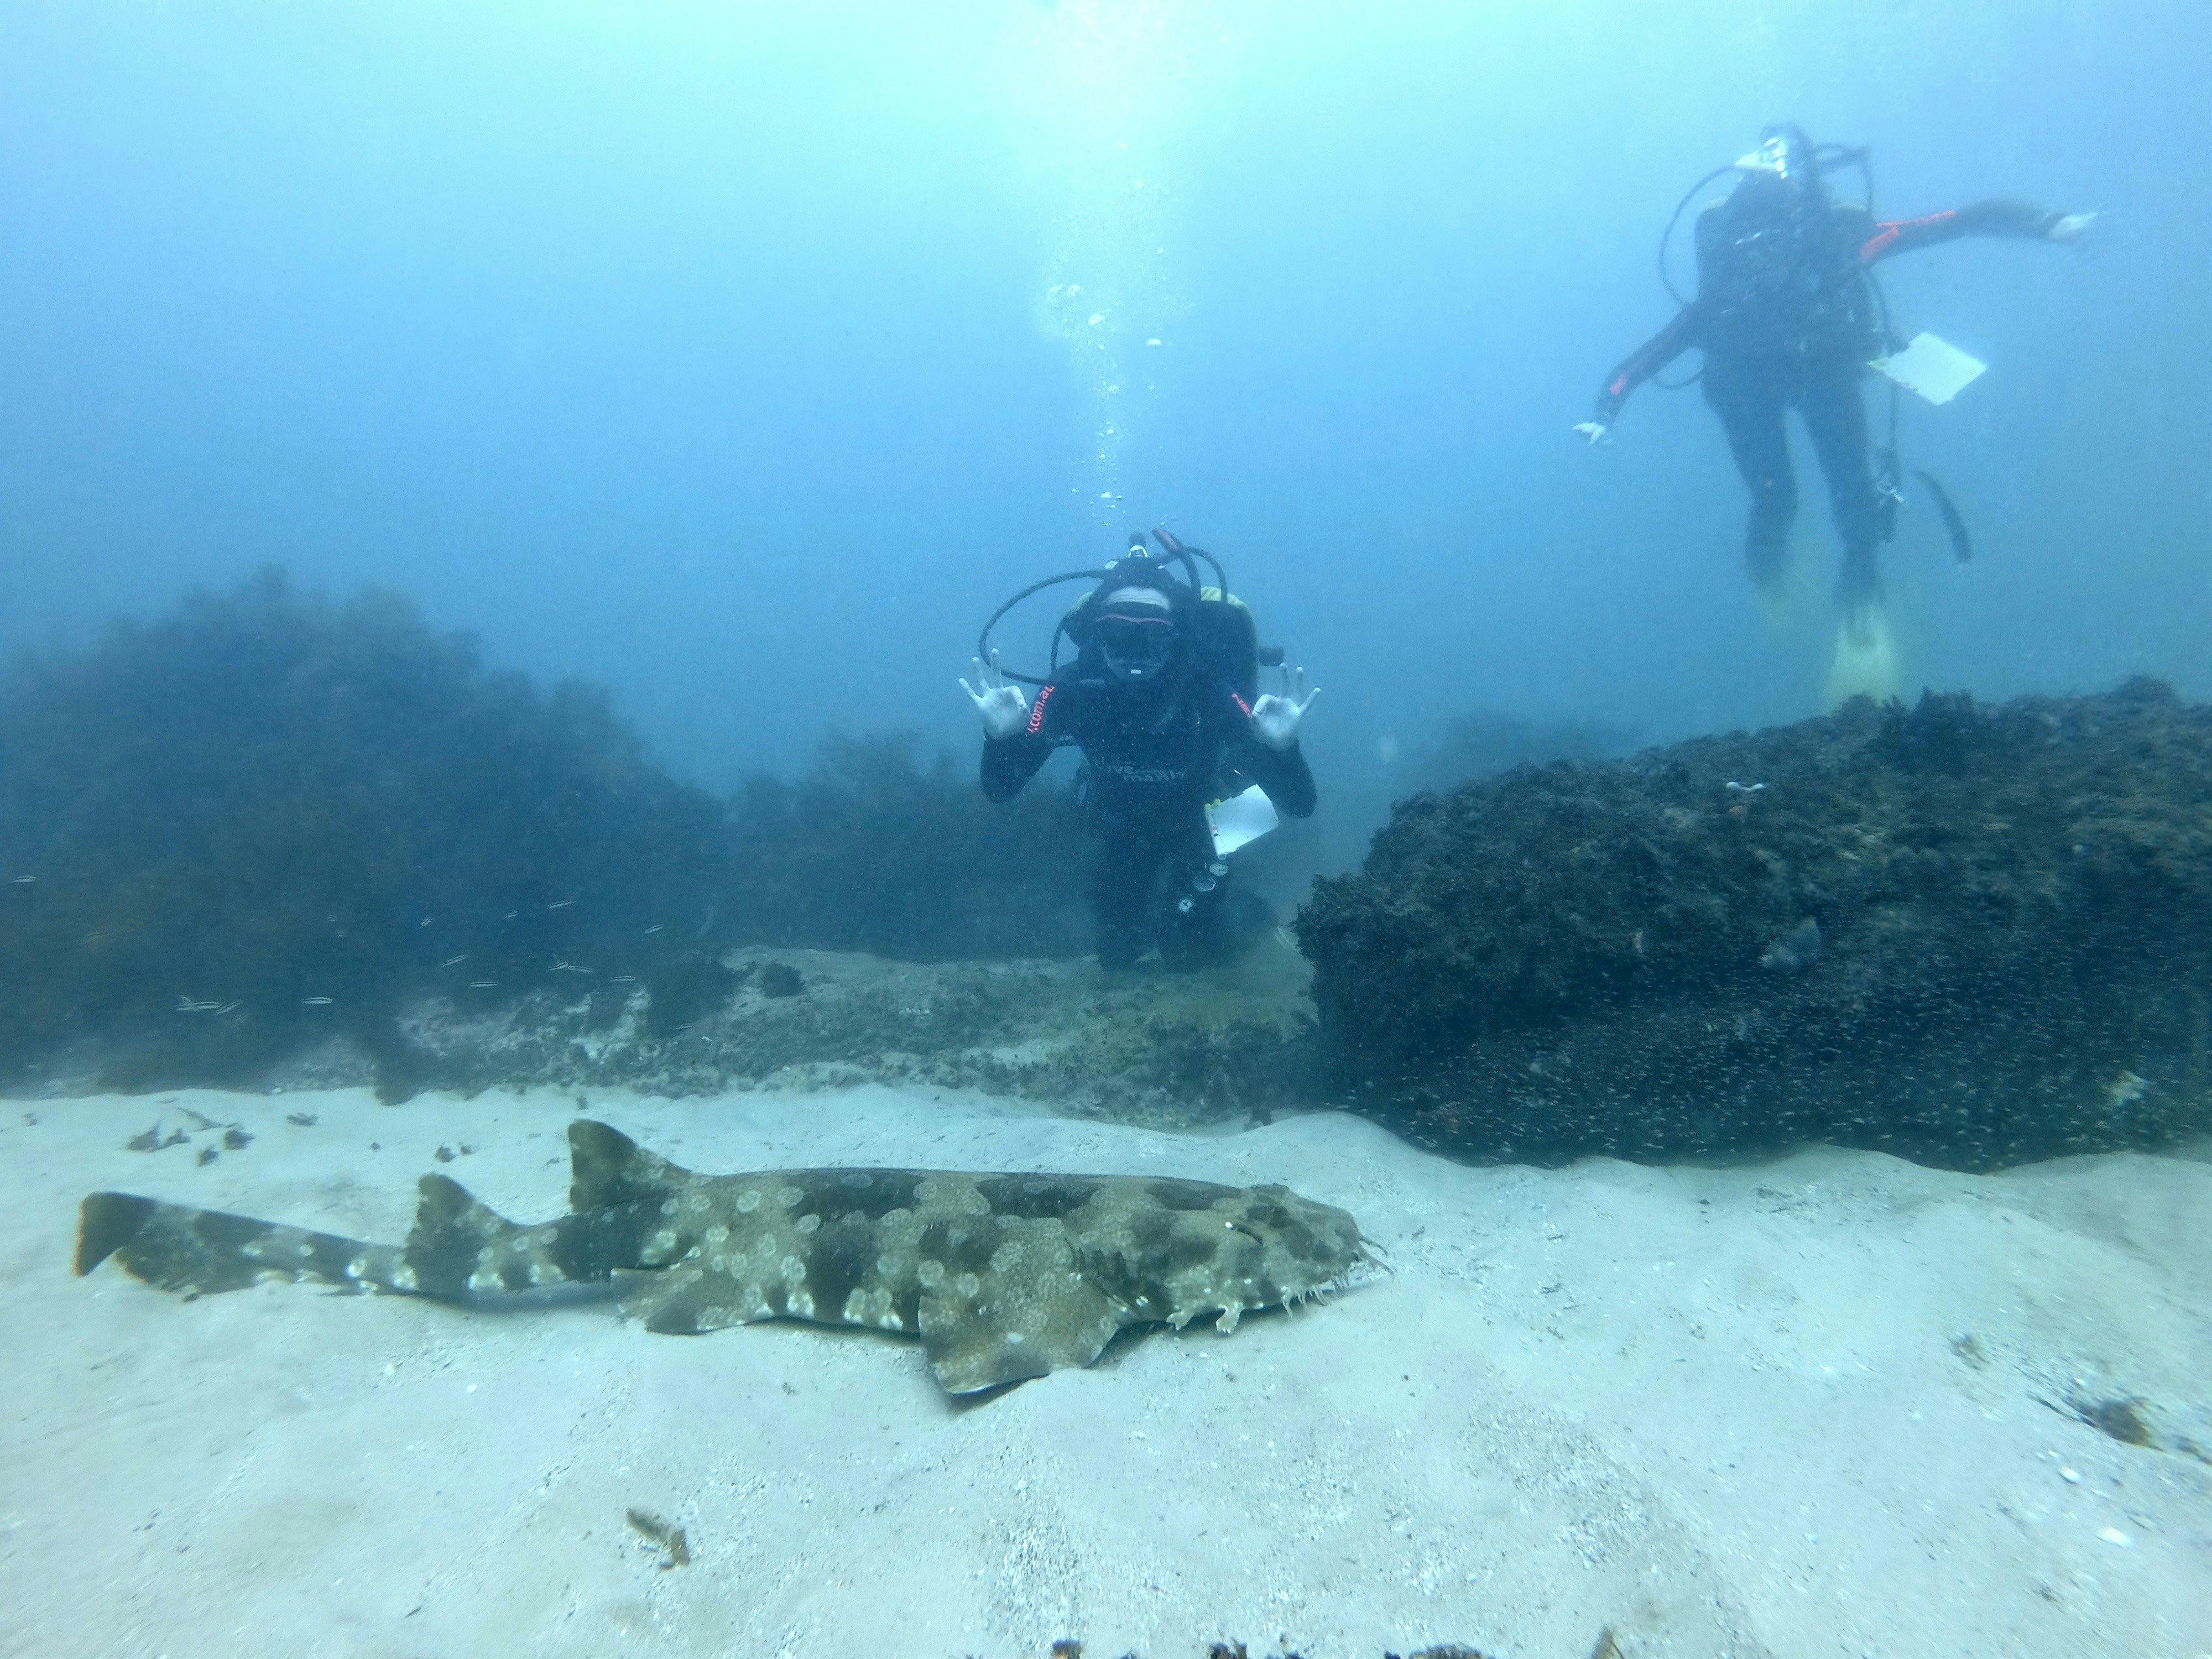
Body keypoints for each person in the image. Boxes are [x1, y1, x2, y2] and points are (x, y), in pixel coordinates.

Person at [1578, 123, 2092, 677]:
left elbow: (1958, 221)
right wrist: (1605, 410)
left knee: (1838, 502)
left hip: (1812, 372)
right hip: (1753, 381)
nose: (1771, 261)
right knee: (1788, 501)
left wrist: (2048, 224)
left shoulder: (1837, 238)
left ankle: (1852, 596)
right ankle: (1783, 577)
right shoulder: (1757, 267)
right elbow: (1959, 222)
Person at [961, 545, 1318, 970]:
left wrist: (1283, 750)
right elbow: (1001, 789)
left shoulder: (1205, 689)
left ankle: (1249, 906)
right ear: (1097, 635)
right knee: (1116, 951)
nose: (1133, 652)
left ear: (1175, 636)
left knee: (1197, 952)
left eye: (1150, 636)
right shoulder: (1073, 689)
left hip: (1208, 822)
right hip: (1123, 825)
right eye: (1118, 635)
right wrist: (1001, 739)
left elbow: (1300, 804)